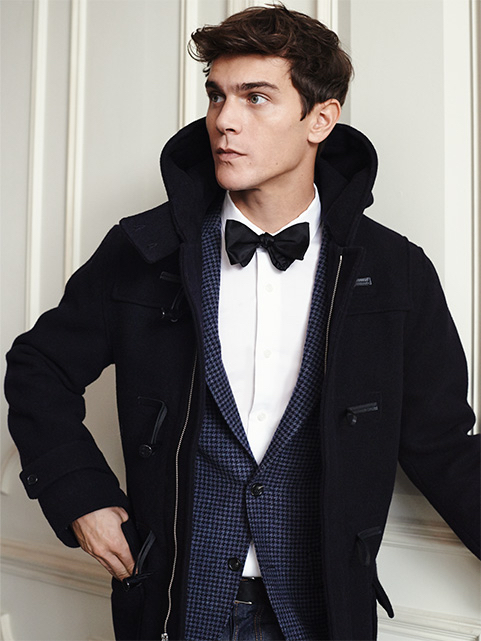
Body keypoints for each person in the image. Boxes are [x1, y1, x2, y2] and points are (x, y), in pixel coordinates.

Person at [4, 5, 480, 641]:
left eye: (256, 98)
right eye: (217, 95)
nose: (224, 120)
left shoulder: (395, 271)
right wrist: (78, 493)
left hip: (322, 608)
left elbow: (441, 441)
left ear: (321, 119)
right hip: (177, 601)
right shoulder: (145, 252)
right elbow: (38, 367)